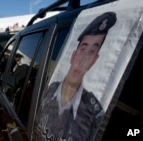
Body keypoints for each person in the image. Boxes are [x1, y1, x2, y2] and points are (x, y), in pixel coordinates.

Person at [33, 12, 117, 141]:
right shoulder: (48, 90)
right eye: (83, 49)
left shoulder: (94, 113)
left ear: (94, 60)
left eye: (91, 52)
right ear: (73, 55)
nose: (83, 59)